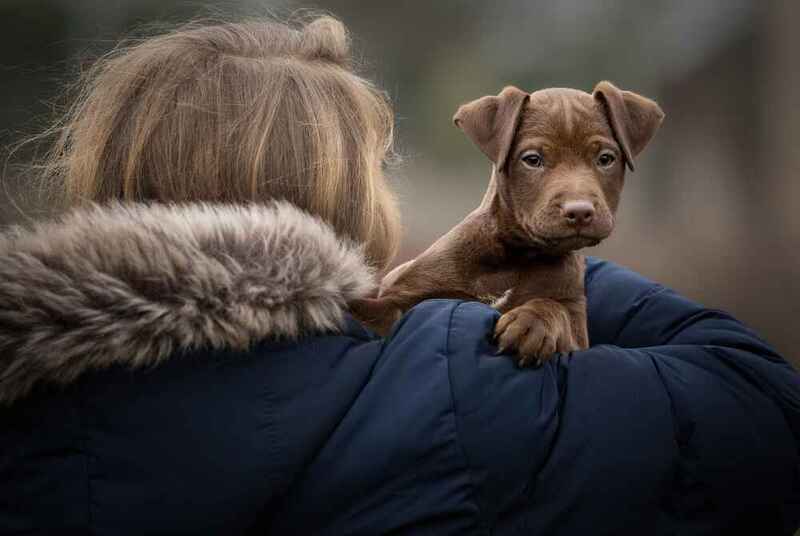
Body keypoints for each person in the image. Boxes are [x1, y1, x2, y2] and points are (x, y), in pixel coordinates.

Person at [0, 15, 798, 536]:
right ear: (340, 202)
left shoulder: (28, 423)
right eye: (377, 171)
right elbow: (764, 413)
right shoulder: (458, 383)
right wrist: (536, 257)